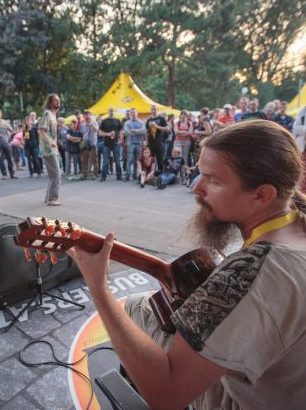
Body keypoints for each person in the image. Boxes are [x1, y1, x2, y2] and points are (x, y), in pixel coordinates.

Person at [67, 120, 306, 410]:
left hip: (245, 401)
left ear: (262, 194)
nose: (196, 189)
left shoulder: (253, 270)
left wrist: (98, 287)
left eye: (214, 181)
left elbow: (167, 394)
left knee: (132, 306)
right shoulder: (295, 222)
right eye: (200, 175)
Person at [39, 93, 62, 206]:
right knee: (56, 174)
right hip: (48, 149)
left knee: (53, 175)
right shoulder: (47, 114)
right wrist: (50, 142)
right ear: (50, 102)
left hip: (52, 149)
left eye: (58, 100)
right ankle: (53, 199)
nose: (58, 102)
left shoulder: (53, 115)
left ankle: (48, 198)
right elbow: (41, 129)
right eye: (55, 100)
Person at [99, 107, 123, 182]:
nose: (111, 112)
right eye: (110, 110)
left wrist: (121, 139)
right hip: (106, 144)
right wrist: (108, 134)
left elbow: (121, 131)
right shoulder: (104, 121)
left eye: (112, 110)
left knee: (118, 161)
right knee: (105, 162)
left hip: (116, 143)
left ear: (114, 111)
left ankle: (119, 176)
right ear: (108, 112)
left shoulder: (117, 121)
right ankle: (103, 176)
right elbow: (100, 133)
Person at [124, 109, 146, 181]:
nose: (133, 114)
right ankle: (127, 175)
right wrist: (138, 131)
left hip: (139, 143)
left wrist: (133, 130)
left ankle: (135, 175)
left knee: (137, 161)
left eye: (134, 113)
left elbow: (143, 131)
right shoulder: (127, 123)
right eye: (131, 113)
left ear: (137, 113)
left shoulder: (141, 122)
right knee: (129, 160)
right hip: (130, 144)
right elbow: (126, 132)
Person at [79, 111, 99, 179]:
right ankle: (84, 174)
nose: (87, 117)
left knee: (94, 160)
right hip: (85, 145)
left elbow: (96, 130)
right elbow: (81, 134)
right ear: (84, 117)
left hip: (92, 144)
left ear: (91, 116)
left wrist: (92, 124)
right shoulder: (82, 125)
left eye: (88, 115)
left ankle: (95, 174)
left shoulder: (95, 123)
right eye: (85, 115)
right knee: (84, 160)